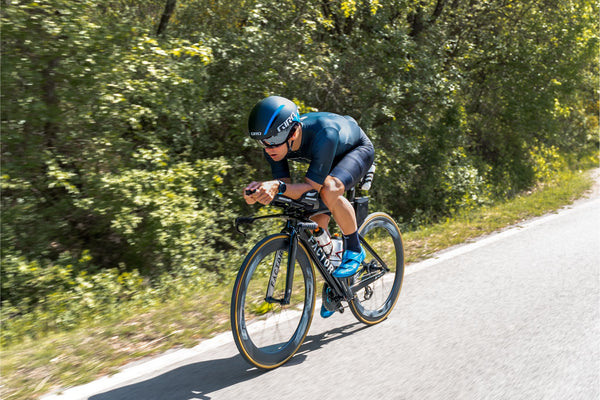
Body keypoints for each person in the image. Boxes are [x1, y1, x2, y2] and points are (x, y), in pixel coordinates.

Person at [243, 95, 375, 317]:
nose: (267, 148)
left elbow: (308, 186)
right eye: (263, 142)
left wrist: (278, 187)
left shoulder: (324, 133)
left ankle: (354, 249)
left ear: (292, 133)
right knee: (311, 217)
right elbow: (284, 188)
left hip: (353, 149)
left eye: (272, 141)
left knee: (329, 189)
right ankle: (336, 282)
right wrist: (259, 194)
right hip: (324, 157)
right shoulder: (273, 143)